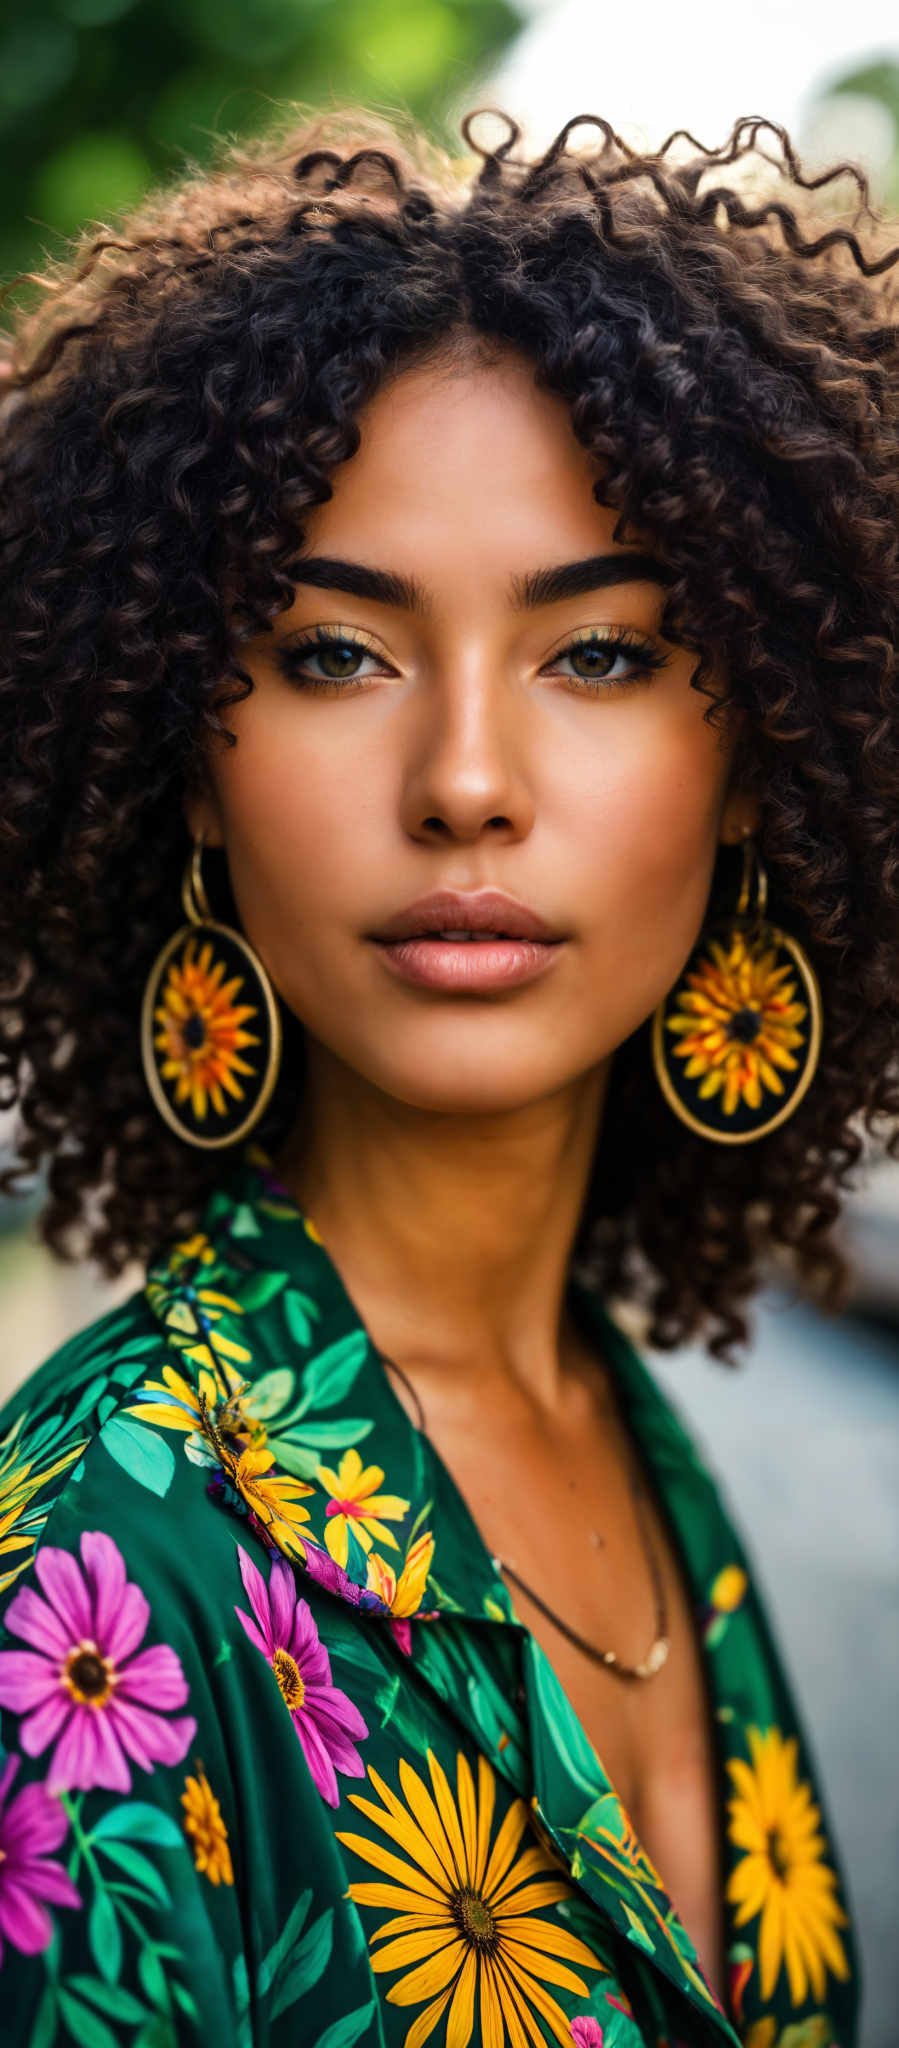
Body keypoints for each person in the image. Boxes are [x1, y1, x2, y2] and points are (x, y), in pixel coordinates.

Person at [0, 99, 894, 2048]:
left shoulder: (632, 1439)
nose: (467, 779)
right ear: (190, 773)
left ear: (752, 764)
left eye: (597, 655)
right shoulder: (96, 1560)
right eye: (334, 653)